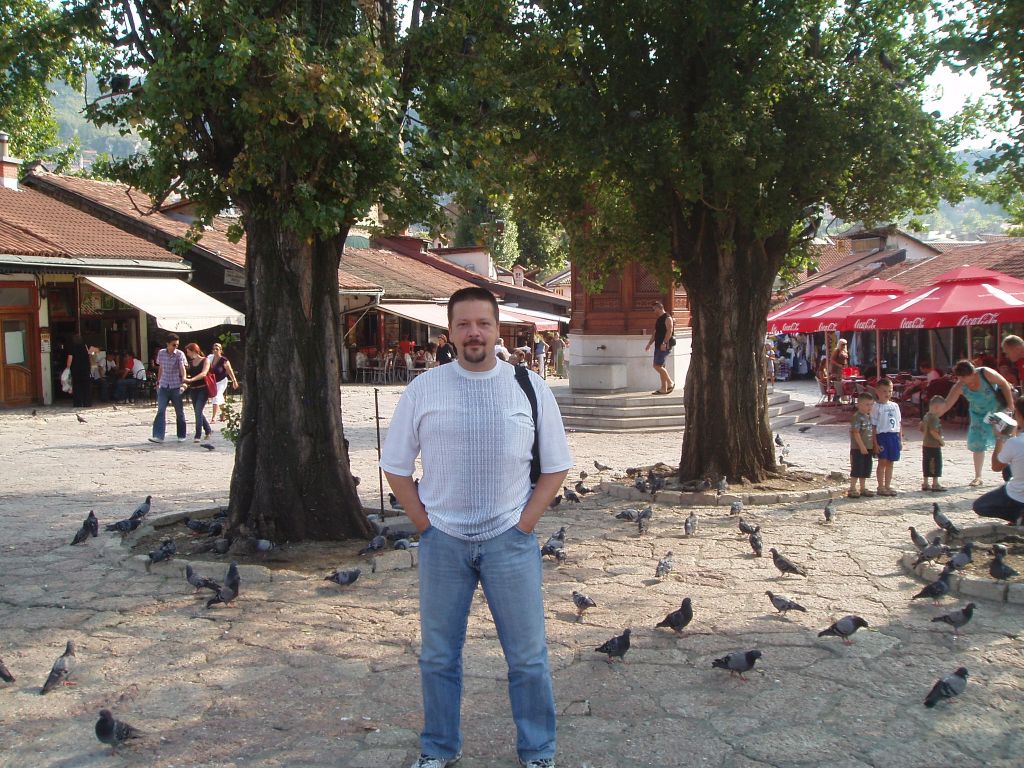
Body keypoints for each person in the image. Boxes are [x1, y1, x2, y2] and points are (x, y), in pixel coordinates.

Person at [380, 286, 572, 768]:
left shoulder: (529, 386)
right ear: (449, 332)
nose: (474, 333)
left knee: (527, 658)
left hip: (510, 540)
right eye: (463, 324)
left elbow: (556, 467)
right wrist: (425, 525)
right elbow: (396, 465)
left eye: (483, 323)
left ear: (496, 329)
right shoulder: (424, 389)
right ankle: (438, 748)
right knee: (438, 657)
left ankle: (538, 751)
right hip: (443, 541)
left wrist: (524, 525)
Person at [933, 360, 1015, 487]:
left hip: (997, 411)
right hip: (978, 415)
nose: (965, 382)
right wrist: (931, 418)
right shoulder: (960, 386)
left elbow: (1003, 384)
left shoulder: (985, 373)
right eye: (961, 378)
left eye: (967, 378)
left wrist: (1010, 405)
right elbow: (947, 404)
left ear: (973, 373)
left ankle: (1012, 473)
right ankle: (978, 476)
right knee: (977, 443)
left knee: (1005, 440)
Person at [974, 394, 1024, 525]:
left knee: (980, 506)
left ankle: (1018, 516)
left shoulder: (1015, 443)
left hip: (1018, 496)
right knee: (1008, 470)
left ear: (1019, 416)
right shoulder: (1016, 441)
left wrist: (1000, 438)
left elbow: (996, 466)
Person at [149, 334, 188, 443]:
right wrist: (158, 382)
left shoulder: (179, 354)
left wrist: (184, 381)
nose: (175, 347)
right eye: (173, 344)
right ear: (168, 344)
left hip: (176, 386)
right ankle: (158, 436)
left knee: (179, 412)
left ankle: (181, 435)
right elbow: (161, 367)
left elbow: (182, 368)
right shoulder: (161, 353)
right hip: (164, 385)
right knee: (161, 410)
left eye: (177, 345)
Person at [871, 378, 902, 496]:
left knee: (891, 462)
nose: (887, 394)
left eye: (890, 391)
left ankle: (888, 485)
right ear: (877, 392)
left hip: (893, 436)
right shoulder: (876, 407)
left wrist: (900, 440)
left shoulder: (895, 406)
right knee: (882, 461)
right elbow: (873, 426)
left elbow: (899, 423)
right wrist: (875, 443)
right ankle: (880, 486)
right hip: (882, 436)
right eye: (884, 391)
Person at [183, 343, 213, 442]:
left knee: (198, 410)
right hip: (193, 390)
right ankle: (208, 430)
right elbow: (186, 373)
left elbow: (204, 373)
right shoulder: (190, 363)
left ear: (194, 351)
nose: (187, 354)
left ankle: (198, 435)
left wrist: (191, 380)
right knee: (197, 411)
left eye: (188, 352)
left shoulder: (205, 360)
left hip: (203, 389)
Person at [848, 392, 875, 498]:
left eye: (871, 404)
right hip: (858, 448)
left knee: (865, 468)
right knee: (857, 468)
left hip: (868, 447)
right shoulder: (857, 417)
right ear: (859, 404)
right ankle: (852, 488)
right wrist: (862, 446)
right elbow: (856, 432)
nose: (869, 407)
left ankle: (863, 488)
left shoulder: (868, 417)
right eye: (867, 404)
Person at [644, 300, 675, 395]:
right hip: (658, 345)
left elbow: (669, 331)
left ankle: (670, 382)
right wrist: (649, 343)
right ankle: (663, 388)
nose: (653, 311)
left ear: (659, 308)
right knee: (661, 366)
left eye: (654, 309)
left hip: (664, 346)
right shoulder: (659, 319)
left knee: (657, 366)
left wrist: (664, 343)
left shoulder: (667, 318)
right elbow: (655, 332)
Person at [207, 342, 239, 422]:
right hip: (213, 381)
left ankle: (213, 417)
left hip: (222, 381)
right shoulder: (210, 358)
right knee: (219, 397)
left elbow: (229, 371)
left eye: (217, 349)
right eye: (213, 349)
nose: (215, 350)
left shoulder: (224, 360)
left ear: (221, 350)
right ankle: (225, 414)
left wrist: (234, 381)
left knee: (216, 396)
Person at [920, 395, 946, 492]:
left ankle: (925, 483)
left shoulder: (926, 416)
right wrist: (941, 440)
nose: (942, 411)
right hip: (934, 445)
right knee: (936, 463)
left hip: (925, 443)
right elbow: (933, 431)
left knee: (926, 462)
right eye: (942, 409)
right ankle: (935, 483)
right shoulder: (934, 418)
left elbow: (921, 428)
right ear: (936, 407)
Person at [64, 334, 92, 407]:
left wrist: (67, 368)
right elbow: (89, 357)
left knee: (77, 386)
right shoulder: (85, 347)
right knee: (86, 386)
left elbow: (70, 359)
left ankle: (78, 403)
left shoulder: (72, 348)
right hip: (85, 369)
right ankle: (87, 403)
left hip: (76, 370)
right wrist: (89, 366)